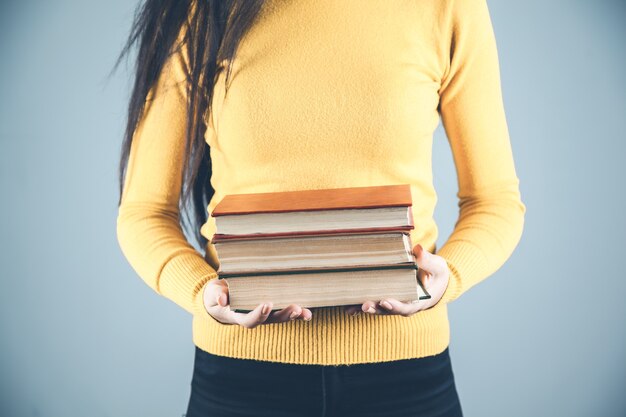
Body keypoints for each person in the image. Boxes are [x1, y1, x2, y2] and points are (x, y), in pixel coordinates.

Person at [114, 0, 525, 416]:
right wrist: (201, 293)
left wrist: (447, 278)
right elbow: (144, 212)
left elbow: (494, 201)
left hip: (408, 381)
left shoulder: (447, 7)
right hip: (240, 383)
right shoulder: (198, 11)